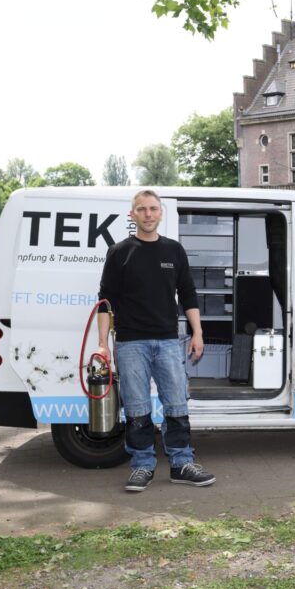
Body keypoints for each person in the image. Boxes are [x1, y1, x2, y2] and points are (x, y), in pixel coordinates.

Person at [96, 189, 216, 492]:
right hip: (130, 343)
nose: (148, 214)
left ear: (160, 213)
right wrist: (101, 344)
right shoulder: (120, 252)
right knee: (136, 407)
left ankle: (181, 464)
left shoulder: (174, 251)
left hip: (168, 341)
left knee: (177, 405)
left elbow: (187, 294)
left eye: (153, 209)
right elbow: (105, 302)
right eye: (142, 209)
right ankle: (142, 466)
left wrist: (197, 333)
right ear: (132, 214)